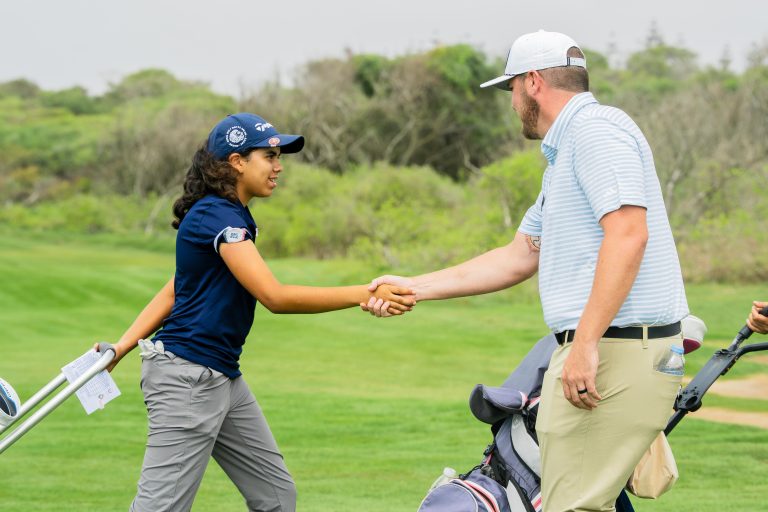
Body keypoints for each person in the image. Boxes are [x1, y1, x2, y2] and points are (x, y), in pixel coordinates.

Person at [362, 30, 688, 512]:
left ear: (533, 82)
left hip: (615, 349)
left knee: (572, 505)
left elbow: (628, 235)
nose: (512, 102)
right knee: (574, 499)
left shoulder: (596, 132)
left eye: (511, 88)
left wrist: (585, 344)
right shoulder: (564, 155)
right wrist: (414, 287)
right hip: (602, 348)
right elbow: (519, 256)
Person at [96, 113, 415, 512]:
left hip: (223, 379)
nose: (279, 166)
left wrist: (123, 345)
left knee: (277, 497)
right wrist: (365, 293)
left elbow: (177, 288)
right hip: (187, 380)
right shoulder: (217, 217)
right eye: (269, 156)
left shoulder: (234, 216)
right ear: (237, 162)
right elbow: (274, 296)